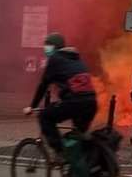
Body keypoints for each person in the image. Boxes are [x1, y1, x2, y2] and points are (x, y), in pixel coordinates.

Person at [25, 32, 98, 162]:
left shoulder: (55, 59)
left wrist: (32, 106)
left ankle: (60, 153)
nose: (45, 48)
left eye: (48, 45)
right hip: (91, 103)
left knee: (45, 117)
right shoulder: (76, 58)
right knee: (78, 136)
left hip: (75, 101)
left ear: (55, 46)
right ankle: (80, 170)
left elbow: (43, 85)